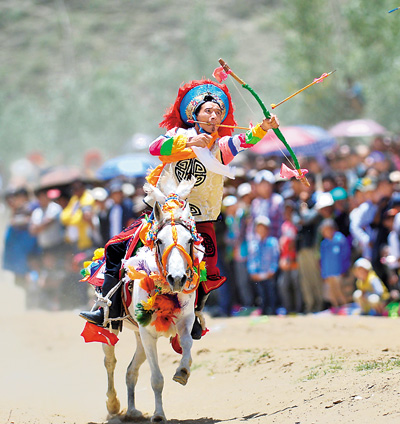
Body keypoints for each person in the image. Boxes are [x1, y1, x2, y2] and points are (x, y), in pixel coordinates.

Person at [80, 79, 279, 337]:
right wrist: (190, 144)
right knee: (117, 248)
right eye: (208, 110)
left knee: (208, 266)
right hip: (166, 215)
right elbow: (155, 149)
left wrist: (264, 127)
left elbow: (246, 140)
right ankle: (107, 308)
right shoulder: (178, 136)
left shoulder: (222, 145)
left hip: (201, 218)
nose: (214, 115)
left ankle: (194, 313)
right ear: (194, 114)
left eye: (218, 112)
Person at [247, 216, 280, 315]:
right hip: (258, 274)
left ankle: (273, 310)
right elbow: (252, 259)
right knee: (261, 294)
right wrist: (253, 272)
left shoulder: (272, 242)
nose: (261, 230)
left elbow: (274, 258)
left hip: (269, 274)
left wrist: (271, 271)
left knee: (271, 293)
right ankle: (263, 310)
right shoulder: (253, 244)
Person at [319, 219, 350, 308]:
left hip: (339, 271)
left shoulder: (340, 239)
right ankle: (336, 307)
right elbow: (322, 259)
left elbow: (346, 255)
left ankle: (345, 307)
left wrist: (345, 269)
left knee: (341, 291)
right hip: (329, 272)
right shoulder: (324, 243)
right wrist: (324, 274)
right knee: (331, 292)